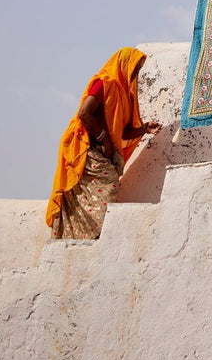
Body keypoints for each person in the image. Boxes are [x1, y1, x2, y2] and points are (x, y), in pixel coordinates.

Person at [46, 47, 161, 239]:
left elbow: (121, 131)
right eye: (134, 68)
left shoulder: (124, 94)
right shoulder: (104, 83)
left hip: (102, 150)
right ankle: (90, 236)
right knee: (109, 185)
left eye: (138, 70)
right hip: (85, 147)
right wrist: (103, 139)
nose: (136, 74)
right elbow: (84, 113)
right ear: (124, 65)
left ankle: (83, 236)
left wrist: (144, 128)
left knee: (92, 193)